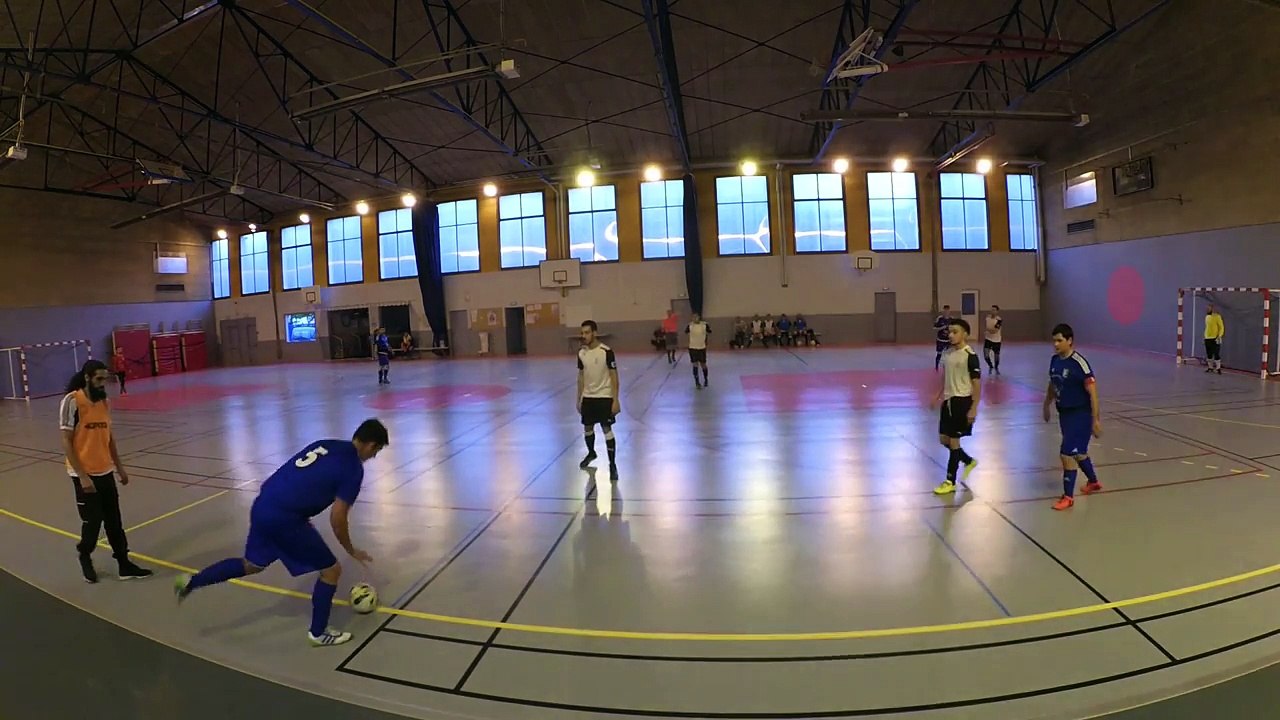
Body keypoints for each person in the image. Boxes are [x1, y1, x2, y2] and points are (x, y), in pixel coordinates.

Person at [174, 419, 389, 647]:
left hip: (264, 503)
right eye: (376, 451)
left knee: (252, 564)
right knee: (331, 571)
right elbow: (337, 518)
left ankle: (191, 581)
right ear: (371, 445)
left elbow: (286, 472)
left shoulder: (326, 444)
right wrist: (350, 549)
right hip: (285, 519)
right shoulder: (353, 469)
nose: (373, 456)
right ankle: (319, 632)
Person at [60, 359, 152, 583]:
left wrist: (119, 468)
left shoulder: (104, 403)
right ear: (87, 378)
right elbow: (66, 441)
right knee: (93, 522)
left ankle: (123, 564)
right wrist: (82, 476)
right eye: (98, 379)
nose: (103, 383)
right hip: (83, 474)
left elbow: (109, 438)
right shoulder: (72, 401)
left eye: (105, 379)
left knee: (114, 520)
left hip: (105, 471)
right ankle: (84, 555)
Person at [1043, 323, 1102, 511]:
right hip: (1065, 413)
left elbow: (1093, 393)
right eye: (1054, 340)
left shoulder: (1079, 364)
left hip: (1081, 414)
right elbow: (1053, 384)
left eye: (1059, 340)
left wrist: (1095, 419)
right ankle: (1093, 482)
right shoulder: (1055, 361)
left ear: (1070, 341)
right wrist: (1046, 403)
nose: (1056, 344)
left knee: (1066, 453)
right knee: (1078, 452)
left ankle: (1068, 497)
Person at [932, 318, 981, 496]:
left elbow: (976, 385)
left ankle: (950, 481)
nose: (951, 335)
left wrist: (974, 407)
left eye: (955, 332)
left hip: (962, 402)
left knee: (953, 442)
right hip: (948, 402)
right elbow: (945, 377)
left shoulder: (970, 356)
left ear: (965, 334)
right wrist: (937, 396)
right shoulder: (947, 353)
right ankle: (967, 460)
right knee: (944, 440)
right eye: (950, 332)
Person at [578, 320, 620, 482]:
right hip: (588, 397)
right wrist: (579, 398)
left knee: (606, 429)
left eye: (587, 332)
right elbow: (580, 376)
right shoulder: (581, 353)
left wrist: (615, 400)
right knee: (587, 428)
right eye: (582, 333)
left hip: (604, 396)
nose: (584, 336)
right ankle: (591, 452)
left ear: (594, 333)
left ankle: (612, 464)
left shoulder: (606, 352)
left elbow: (614, 376)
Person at [686, 312, 712, 389]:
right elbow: (686, 332)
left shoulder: (704, 325)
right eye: (693, 317)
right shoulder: (690, 325)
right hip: (693, 347)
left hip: (701, 347)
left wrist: (705, 338)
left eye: (696, 317)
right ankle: (697, 382)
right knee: (695, 364)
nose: (694, 318)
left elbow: (709, 331)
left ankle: (706, 379)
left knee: (703, 364)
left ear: (699, 317)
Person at [1204, 304, 1224, 374]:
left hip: (1215, 338)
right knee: (1209, 353)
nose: (1207, 309)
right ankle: (1210, 367)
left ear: (1212, 309)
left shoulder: (1217, 317)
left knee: (1216, 353)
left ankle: (1218, 368)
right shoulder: (1207, 317)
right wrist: (1205, 336)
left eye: (1209, 308)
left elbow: (1221, 327)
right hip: (1207, 338)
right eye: (1207, 308)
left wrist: (1219, 336)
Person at [984, 305, 1003, 375]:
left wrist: (987, 330)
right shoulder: (987, 318)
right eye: (991, 310)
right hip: (988, 339)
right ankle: (990, 365)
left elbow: (995, 330)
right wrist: (987, 331)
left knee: (996, 357)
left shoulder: (999, 320)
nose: (992, 311)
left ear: (997, 311)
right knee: (986, 355)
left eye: (994, 310)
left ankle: (996, 367)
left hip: (997, 340)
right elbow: (987, 326)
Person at [933, 305, 953, 371]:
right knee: (939, 353)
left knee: (949, 354)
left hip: (948, 340)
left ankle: (947, 367)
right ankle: (936, 366)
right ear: (943, 311)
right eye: (945, 310)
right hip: (940, 340)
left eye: (948, 310)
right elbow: (934, 328)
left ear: (949, 311)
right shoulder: (939, 318)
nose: (946, 312)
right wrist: (941, 328)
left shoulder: (952, 319)